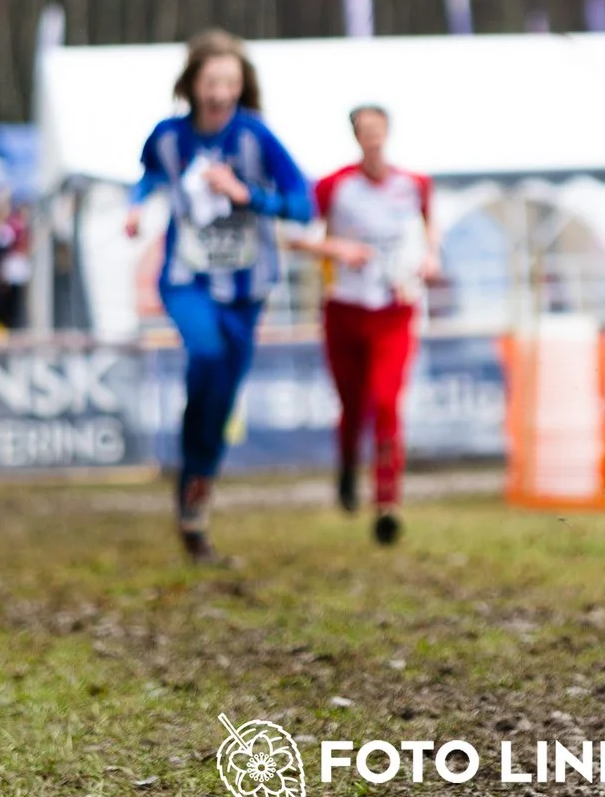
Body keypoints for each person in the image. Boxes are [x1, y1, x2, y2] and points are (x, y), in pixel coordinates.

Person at [126, 29, 315, 562]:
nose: (220, 93)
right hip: (186, 279)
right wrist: (137, 206)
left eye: (230, 82)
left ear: (241, 86)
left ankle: (195, 497)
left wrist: (246, 195)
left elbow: (303, 205)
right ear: (192, 85)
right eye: (212, 82)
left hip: (247, 288)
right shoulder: (167, 136)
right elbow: (146, 177)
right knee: (204, 353)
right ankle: (193, 471)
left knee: (221, 395)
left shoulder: (257, 138)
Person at [292, 105, 439, 546]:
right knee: (353, 406)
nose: (372, 137)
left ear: (388, 132)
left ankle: (388, 502)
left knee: (387, 402)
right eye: (363, 130)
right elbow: (299, 235)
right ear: (355, 136)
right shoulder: (333, 186)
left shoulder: (414, 184)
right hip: (345, 309)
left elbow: (432, 228)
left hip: (395, 308)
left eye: (378, 129)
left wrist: (430, 257)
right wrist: (338, 249)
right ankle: (347, 468)